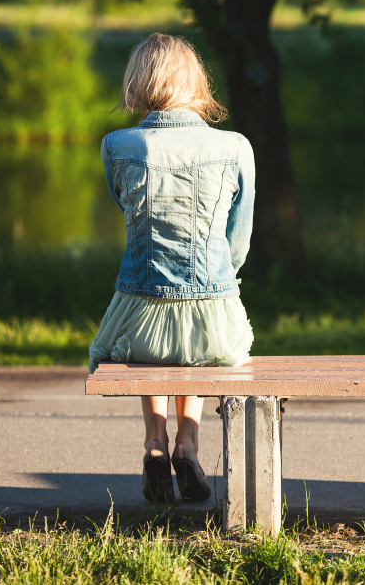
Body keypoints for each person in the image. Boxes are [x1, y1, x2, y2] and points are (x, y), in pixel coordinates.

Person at [88, 34, 255, 503]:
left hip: (139, 320)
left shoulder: (117, 145)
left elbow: (125, 207)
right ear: (195, 81)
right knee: (194, 334)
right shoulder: (236, 146)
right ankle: (188, 443)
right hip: (214, 323)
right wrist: (216, 281)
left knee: (155, 332)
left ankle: (154, 443)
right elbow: (237, 244)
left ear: (137, 82)